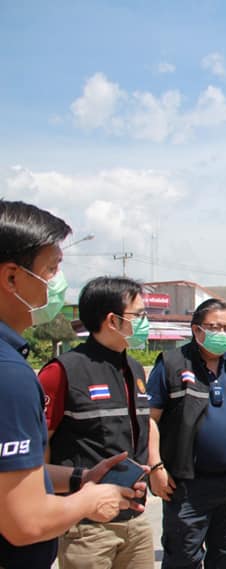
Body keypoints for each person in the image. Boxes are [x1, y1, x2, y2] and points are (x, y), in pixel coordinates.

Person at [0, 200, 143, 569]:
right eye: (51, 269)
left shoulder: (131, 367)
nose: (57, 282)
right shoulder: (11, 374)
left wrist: (82, 478)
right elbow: (25, 521)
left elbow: (15, 475)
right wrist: (90, 500)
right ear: (12, 278)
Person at [39, 277, 155, 568]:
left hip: (135, 519)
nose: (145, 321)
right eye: (139, 314)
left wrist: (156, 466)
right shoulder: (63, 371)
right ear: (112, 320)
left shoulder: (134, 368)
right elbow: (39, 446)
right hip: (87, 527)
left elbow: (145, 425)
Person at [147, 298, 226, 569]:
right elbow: (149, 419)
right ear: (196, 329)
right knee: (183, 558)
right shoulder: (173, 364)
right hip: (188, 485)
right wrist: (155, 466)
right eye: (215, 327)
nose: (223, 334)